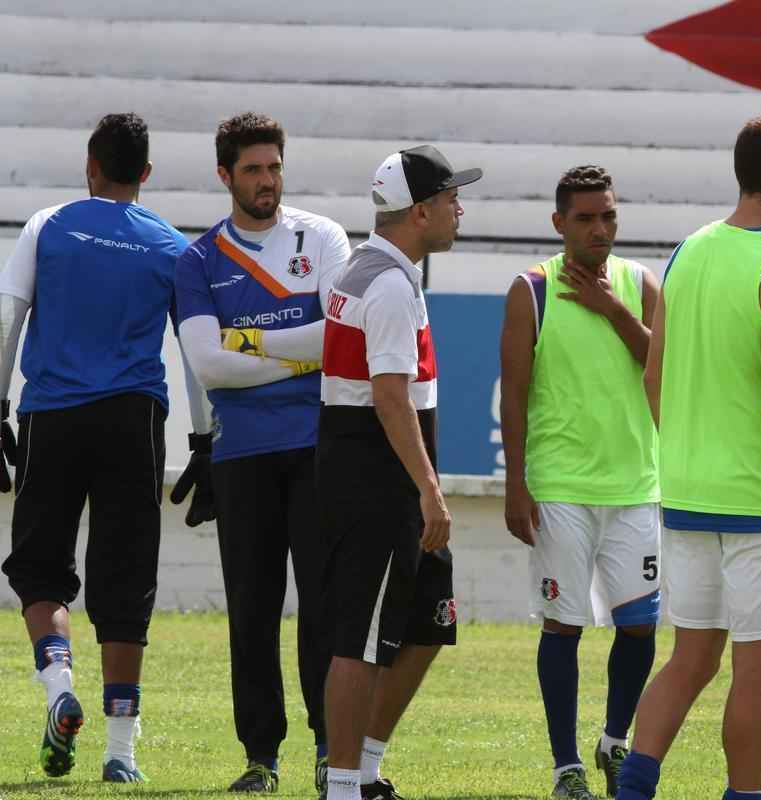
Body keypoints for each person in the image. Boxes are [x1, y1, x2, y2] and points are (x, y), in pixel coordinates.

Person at [615, 111, 761, 800]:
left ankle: (632, 790)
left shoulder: (686, 252)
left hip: (685, 495)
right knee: (756, 676)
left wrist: (687, 450)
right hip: (758, 503)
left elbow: (653, 377)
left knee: (687, 661)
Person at [0, 113, 202, 783]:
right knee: (125, 580)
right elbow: (198, 355)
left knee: (40, 567)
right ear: (146, 173)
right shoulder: (174, 247)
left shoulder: (46, 227)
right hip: (133, 419)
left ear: (91, 166)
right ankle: (121, 753)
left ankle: (60, 689)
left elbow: (8, 317)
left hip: (53, 415)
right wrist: (206, 436)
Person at [174, 111, 350, 793]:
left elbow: (333, 338)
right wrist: (296, 357)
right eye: (252, 169)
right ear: (225, 176)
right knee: (251, 609)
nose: (267, 180)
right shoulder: (197, 260)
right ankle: (260, 757)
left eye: (273, 166)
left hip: (317, 446)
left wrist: (246, 340)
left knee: (323, 606)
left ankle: (327, 744)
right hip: (241, 454)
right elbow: (207, 368)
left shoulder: (322, 235)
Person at [319, 145, 481, 800]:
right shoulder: (386, 284)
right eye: (449, 199)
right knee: (359, 640)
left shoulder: (376, 270)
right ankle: (340, 786)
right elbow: (390, 398)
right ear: (419, 212)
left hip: (385, 479)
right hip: (379, 483)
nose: (458, 210)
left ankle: (365, 770)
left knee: (428, 623)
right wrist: (430, 491)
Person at [499, 165, 661, 799]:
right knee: (563, 626)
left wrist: (612, 308)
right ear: (560, 223)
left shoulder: (641, 282)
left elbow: (661, 365)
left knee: (641, 627)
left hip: (636, 485)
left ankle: (614, 742)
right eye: (587, 218)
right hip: (560, 486)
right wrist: (516, 483)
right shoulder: (530, 289)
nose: (600, 228)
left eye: (609, 216)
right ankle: (566, 766)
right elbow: (512, 394)